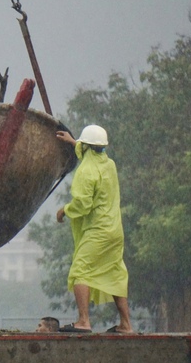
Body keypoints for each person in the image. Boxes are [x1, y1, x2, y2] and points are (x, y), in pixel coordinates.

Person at [55, 125, 133, 334]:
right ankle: (126, 325)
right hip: (114, 231)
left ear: (87, 147)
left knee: (80, 270)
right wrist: (74, 142)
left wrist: (65, 210)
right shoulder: (109, 165)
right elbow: (92, 154)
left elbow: (83, 204)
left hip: (97, 230)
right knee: (115, 271)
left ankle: (83, 321)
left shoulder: (86, 171)